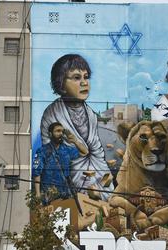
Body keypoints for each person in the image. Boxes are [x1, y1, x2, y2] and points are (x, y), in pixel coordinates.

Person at [40, 54, 112, 197]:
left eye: (86, 77)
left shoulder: (90, 114)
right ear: (61, 84)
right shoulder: (52, 114)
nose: (84, 83)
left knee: (108, 195)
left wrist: (102, 179)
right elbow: (51, 156)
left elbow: (97, 151)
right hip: (68, 179)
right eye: (77, 78)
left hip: (96, 170)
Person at [32, 121, 88, 204]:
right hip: (50, 193)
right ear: (50, 134)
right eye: (57, 131)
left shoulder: (66, 149)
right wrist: (38, 193)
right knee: (50, 215)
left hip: (66, 192)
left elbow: (85, 152)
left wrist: (75, 141)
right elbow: (37, 173)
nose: (61, 133)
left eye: (62, 131)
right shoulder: (42, 151)